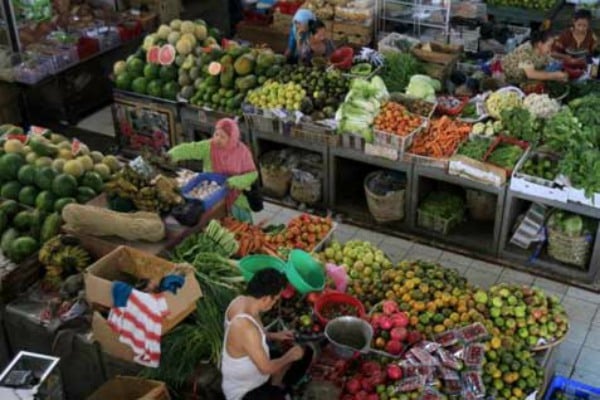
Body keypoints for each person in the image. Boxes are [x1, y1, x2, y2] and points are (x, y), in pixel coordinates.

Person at [221, 269, 312, 400]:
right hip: (245, 391)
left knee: (303, 354)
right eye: (275, 299)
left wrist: (275, 335)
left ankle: (276, 386)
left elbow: (251, 337)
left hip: (253, 370)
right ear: (265, 298)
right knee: (292, 358)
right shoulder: (246, 328)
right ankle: (275, 390)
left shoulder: (242, 302)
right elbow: (266, 368)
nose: (275, 303)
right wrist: (290, 356)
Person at [168, 118, 257, 222]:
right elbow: (190, 149)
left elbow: (252, 174)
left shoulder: (242, 152)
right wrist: (171, 155)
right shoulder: (209, 146)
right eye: (216, 134)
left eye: (222, 137)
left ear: (232, 138)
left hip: (235, 197)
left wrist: (233, 182)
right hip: (211, 198)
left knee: (238, 227)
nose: (217, 139)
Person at [501, 30, 568, 83]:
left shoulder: (543, 52)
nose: (551, 48)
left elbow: (551, 62)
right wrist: (554, 76)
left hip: (523, 79)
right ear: (539, 44)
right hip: (506, 77)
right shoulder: (525, 51)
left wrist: (559, 76)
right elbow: (531, 74)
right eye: (549, 45)